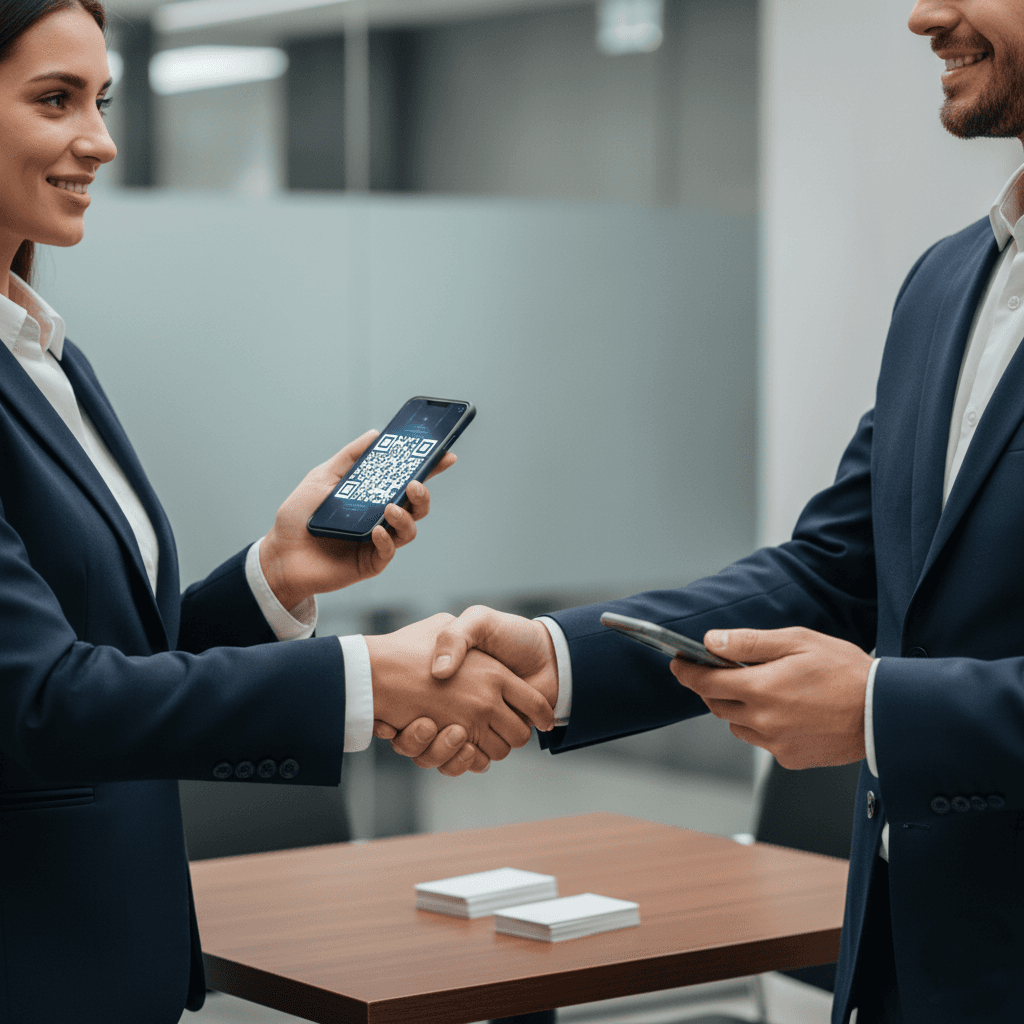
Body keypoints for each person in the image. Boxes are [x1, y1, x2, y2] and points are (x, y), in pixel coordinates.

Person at [380, 1, 1024, 1020]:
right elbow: (831, 570)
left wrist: (876, 712)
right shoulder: (947, 282)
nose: (923, 15)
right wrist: (560, 660)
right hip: (915, 964)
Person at [0, 4, 556, 1022]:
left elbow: (122, 653)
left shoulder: (43, 357)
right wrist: (364, 674)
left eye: (103, 99)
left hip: (102, 955)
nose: (102, 139)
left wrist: (276, 575)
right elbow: (39, 702)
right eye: (55, 99)